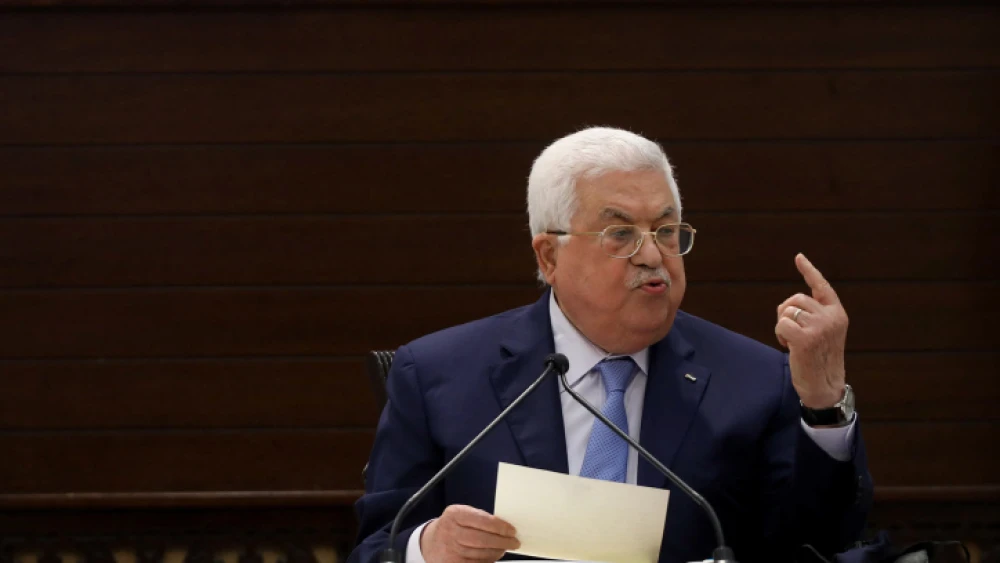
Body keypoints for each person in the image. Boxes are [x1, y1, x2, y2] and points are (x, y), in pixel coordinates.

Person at [349, 127, 872, 563]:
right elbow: (376, 548)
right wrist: (427, 548)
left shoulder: (754, 380)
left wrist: (823, 404)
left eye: (666, 231)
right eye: (620, 234)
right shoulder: (438, 374)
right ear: (549, 257)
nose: (653, 256)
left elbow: (815, 544)